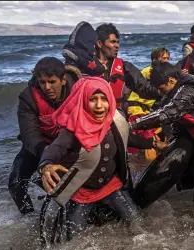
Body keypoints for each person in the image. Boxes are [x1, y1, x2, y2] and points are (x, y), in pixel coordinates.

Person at [38, 77, 158, 239]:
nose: (100, 105)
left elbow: (128, 138)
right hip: (83, 192)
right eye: (93, 99)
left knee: (136, 222)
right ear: (83, 101)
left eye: (104, 99)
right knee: (74, 239)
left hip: (111, 185)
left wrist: (152, 143)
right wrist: (46, 165)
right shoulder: (73, 129)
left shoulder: (114, 122)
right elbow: (56, 147)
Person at [130, 62, 194, 206]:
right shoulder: (176, 90)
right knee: (185, 184)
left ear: (171, 80)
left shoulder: (189, 90)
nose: (162, 93)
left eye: (161, 89)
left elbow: (167, 113)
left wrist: (133, 125)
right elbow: (159, 109)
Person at [8, 57, 79, 215]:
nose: (47, 87)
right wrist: (45, 155)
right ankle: (30, 218)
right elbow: (29, 134)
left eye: (52, 81)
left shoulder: (77, 91)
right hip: (39, 146)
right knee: (15, 184)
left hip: (68, 147)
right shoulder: (28, 97)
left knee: (69, 188)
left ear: (62, 80)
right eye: (42, 82)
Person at [94, 23, 160, 113]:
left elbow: (145, 89)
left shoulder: (125, 67)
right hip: (92, 114)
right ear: (99, 43)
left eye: (117, 42)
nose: (117, 46)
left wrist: (166, 90)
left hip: (117, 115)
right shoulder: (85, 68)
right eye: (113, 42)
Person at [126, 47, 170, 159]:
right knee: (148, 137)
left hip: (146, 109)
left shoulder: (160, 71)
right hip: (137, 108)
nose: (166, 61)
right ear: (154, 59)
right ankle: (145, 163)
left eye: (168, 58)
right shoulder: (148, 72)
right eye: (163, 58)